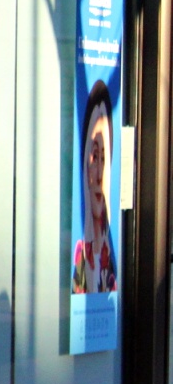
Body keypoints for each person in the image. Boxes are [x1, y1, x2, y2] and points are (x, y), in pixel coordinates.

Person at [72, 79, 118, 294]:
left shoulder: (115, 264)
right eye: (94, 156)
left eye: (103, 158)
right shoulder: (78, 260)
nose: (99, 174)